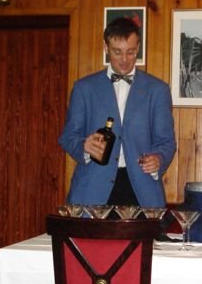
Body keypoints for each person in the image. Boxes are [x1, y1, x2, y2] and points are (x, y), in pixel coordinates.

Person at [59, 17, 176, 208]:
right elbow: (68, 137)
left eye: (130, 52)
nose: (124, 59)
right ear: (106, 48)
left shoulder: (158, 90)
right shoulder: (84, 88)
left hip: (142, 192)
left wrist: (159, 159)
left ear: (138, 48)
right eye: (117, 52)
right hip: (91, 191)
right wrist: (84, 146)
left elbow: (166, 141)